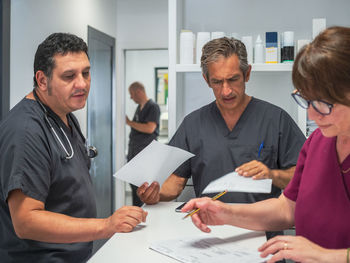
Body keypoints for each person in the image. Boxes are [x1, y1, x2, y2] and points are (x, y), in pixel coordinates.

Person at [182, 26, 350, 263]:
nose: (311, 115)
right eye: (306, 100)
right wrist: (225, 213)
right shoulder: (318, 143)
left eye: (323, 103)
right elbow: (287, 209)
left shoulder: (275, 119)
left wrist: (327, 256)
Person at [0, 33, 147, 263]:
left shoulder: (65, 115)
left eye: (86, 73)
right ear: (42, 80)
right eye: (69, 76)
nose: (82, 84)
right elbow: (26, 221)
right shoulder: (26, 131)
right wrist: (106, 225)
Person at [138, 37, 305, 206]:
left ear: (247, 74)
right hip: (209, 226)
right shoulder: (193, 124)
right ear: (206, 80)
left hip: (261, 227)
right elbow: (175, 182)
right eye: (217, 82)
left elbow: (304, 175)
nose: (226, 91)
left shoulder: (275, 119)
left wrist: (272, 175)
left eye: (233, 79)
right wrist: (154, 193)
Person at [126, 81, 160, 206]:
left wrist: (129, 122)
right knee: (135, 188)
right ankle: (136, 214)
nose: (131, 97)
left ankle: (143, 216)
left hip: (144, 155)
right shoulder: (138, 108)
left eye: (131, 94)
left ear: (138, 92)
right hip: (134, 153)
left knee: (142, 190)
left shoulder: (152, 107)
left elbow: (150, 128)